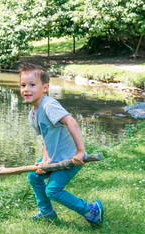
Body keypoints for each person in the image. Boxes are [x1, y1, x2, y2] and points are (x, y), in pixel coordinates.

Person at [19, 62, 103, 225]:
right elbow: (45, 138)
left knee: (52, 190)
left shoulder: (49, 105)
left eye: (32, 85)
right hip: (54, 159)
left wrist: (80, 152)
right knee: (34, 176)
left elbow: (72, 122)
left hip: (70, 159)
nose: (26, 89)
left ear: (45, 88)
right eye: (23, 85)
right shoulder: (33, 114)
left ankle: (90, 210)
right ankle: (47, 213)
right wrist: (45, 160)